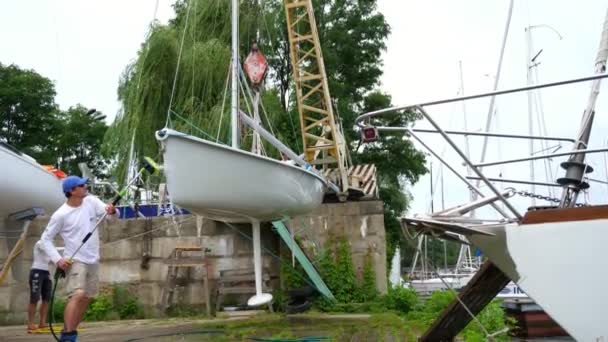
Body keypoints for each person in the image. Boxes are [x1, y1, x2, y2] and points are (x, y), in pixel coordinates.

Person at [39, 176, 118, 342]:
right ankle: (68, 336)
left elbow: (109, 215)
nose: (85, 187)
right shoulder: (60, 215)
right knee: (78, 294)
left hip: (93, 259)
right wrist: (58, 259)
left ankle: (70, 333)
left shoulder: (91, 201)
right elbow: (45, 239)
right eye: (81, 185)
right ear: (71, 191)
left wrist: (112, 211)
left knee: (87, 297)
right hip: (74, 260)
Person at [27, 241, 56, 333]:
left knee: (47, 298)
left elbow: (53, 257)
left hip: (46, 272)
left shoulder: (51, 245)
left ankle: (42, 322)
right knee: (34, 298)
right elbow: (50, 250)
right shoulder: (41, 243)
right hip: (36, 271)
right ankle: (30, 323)